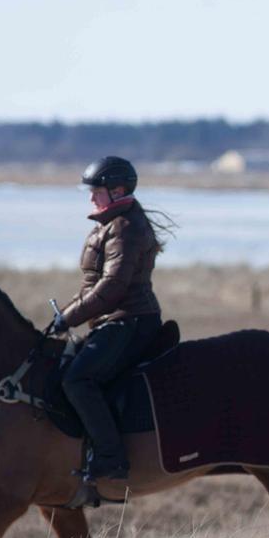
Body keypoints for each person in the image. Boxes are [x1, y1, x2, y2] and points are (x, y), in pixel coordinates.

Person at [52, 156, 164, 479]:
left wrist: (69, 318)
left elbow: (112, 288)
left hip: (131, 321)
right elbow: (92, 287)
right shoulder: (112, 224)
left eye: (96, 191)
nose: (90, 198)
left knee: (77, 379)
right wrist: (65, 314)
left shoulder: (126, 228)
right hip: (116, 320)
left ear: (117, 191)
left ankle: (112, 458)